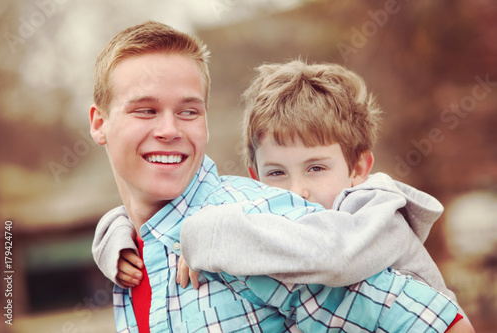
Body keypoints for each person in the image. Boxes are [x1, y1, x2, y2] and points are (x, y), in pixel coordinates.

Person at [90, 21, 470, 332]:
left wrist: (217, 237)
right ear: (99, 123)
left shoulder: (264, 232)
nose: (169, 130)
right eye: (145, 110)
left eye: (188, 111)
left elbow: (446, 325)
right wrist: (112, 236)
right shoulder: (132, 252)